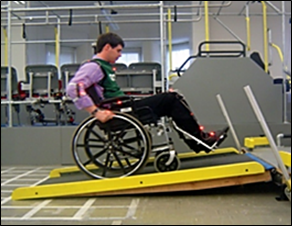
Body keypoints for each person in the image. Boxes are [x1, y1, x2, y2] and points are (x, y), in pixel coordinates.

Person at [66, 32, 229, 153]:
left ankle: (199, 140)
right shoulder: (93, 67)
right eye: (118, 50)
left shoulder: (103, 67)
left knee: (173, 98)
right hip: (117, 111)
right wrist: (96, 112)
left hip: (121, 106)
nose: (120, 55)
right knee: (171, 98)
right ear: (107, 47)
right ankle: (201, 141)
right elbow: (73, 88)